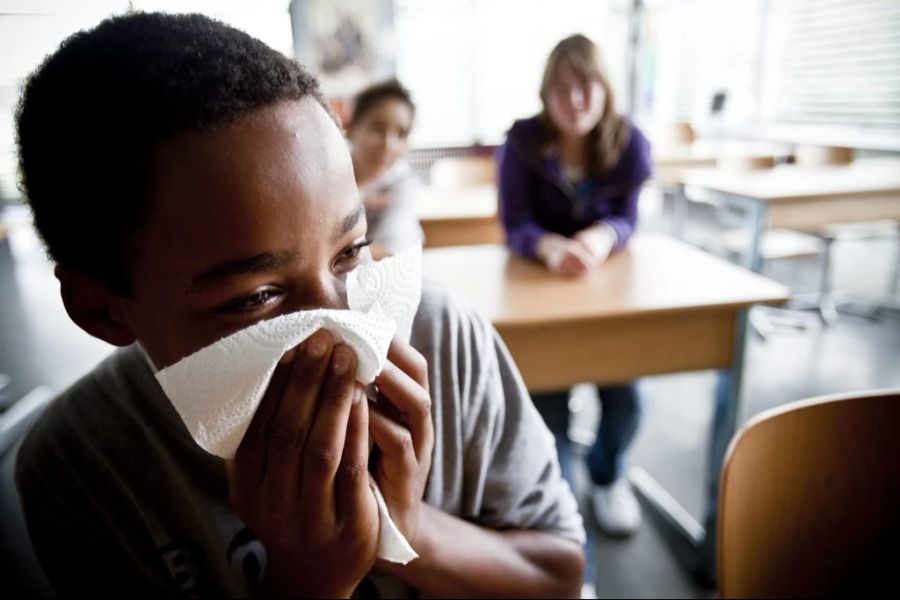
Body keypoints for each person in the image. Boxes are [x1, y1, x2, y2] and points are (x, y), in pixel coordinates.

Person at [14, 13, 585, 597]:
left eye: (350, 252)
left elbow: (560, 577)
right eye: (257, 296)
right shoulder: (82, 466)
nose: (346, 335)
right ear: (103, 310)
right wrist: (310, 581)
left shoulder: (443, 340)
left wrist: (404, 533)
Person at [497, 34, 653, 537]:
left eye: (586, 86)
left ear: (605, 89)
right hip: (538, 296)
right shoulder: (521, 142)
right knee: (548, 408)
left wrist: (603, 236)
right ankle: (563, 522)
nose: (575, 100)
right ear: (545, 95)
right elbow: (514, 222)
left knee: (628, 398)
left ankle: (607, 476)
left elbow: (628, 218)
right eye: (561, 89)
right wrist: (547, 247)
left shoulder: (631, 144)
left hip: (610, 299)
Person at [345, 79, 423, 259]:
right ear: (351, 128)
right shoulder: (326, 175)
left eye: (401, 134)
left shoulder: (404, 186)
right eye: (377, 128)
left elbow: (390, 254)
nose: (388, 144)